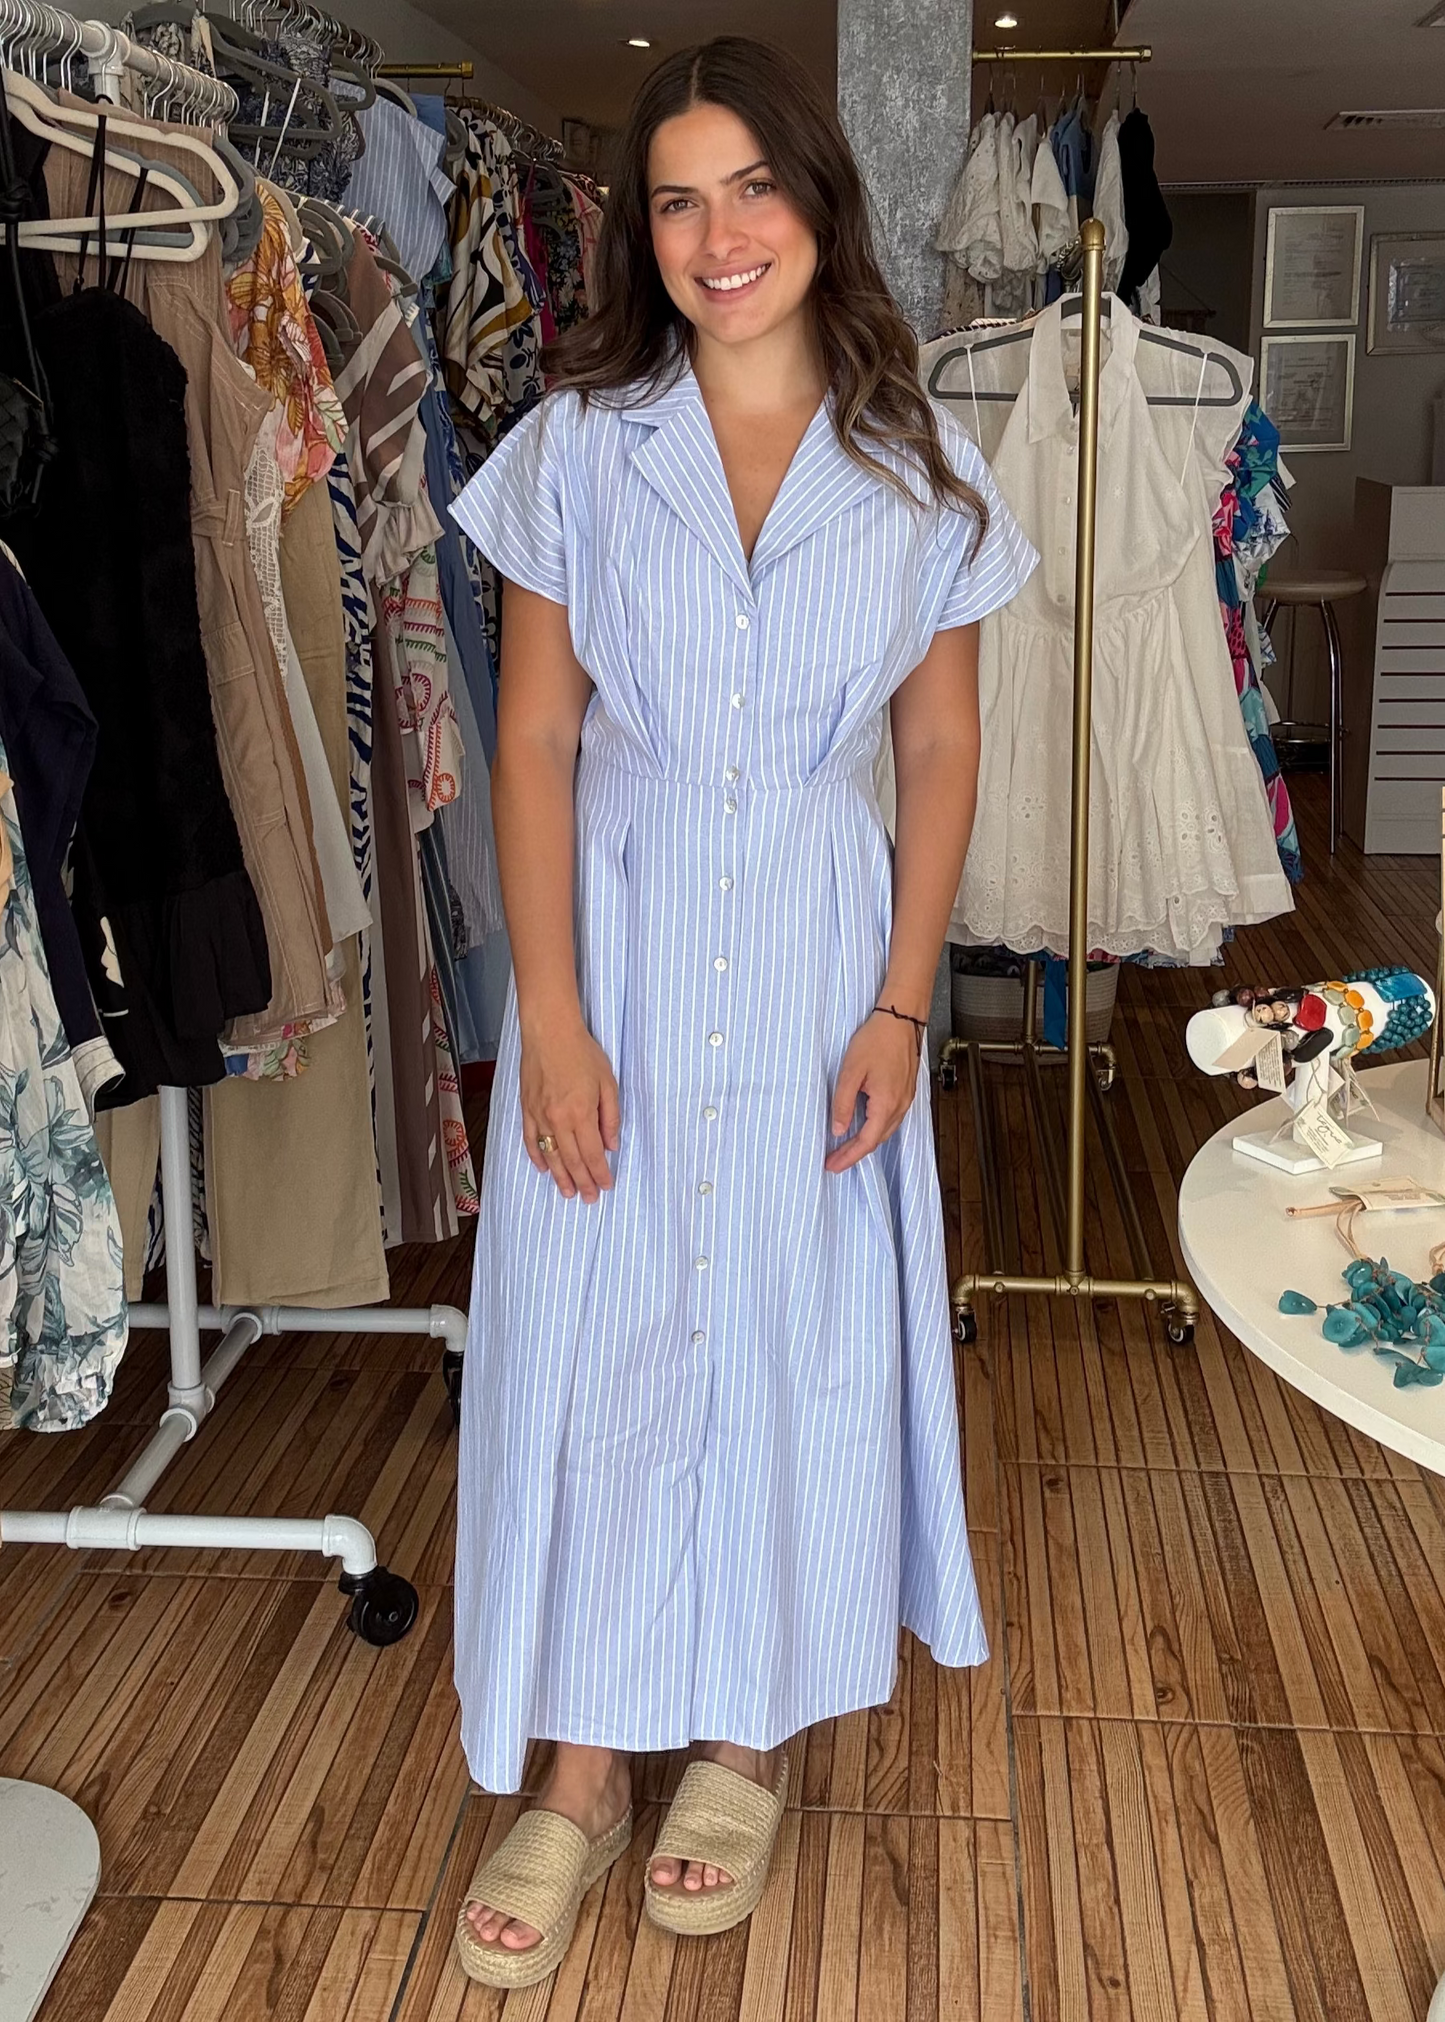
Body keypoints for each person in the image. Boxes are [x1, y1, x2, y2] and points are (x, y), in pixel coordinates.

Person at [448, 34, 1037, 1988]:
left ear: (818, 203)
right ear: (645, 230)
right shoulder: (577, 448)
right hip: (614, 937)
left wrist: (901, 1006)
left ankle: (740, 1735)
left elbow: (937, 745)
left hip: (814, 941)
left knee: (791, 1327)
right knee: (596, 1328)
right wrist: (549, 1013)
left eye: (754, 188)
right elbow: (535, 737)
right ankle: (581, 1759)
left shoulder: (922, 465)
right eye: (678, 200)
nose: (720, 237)